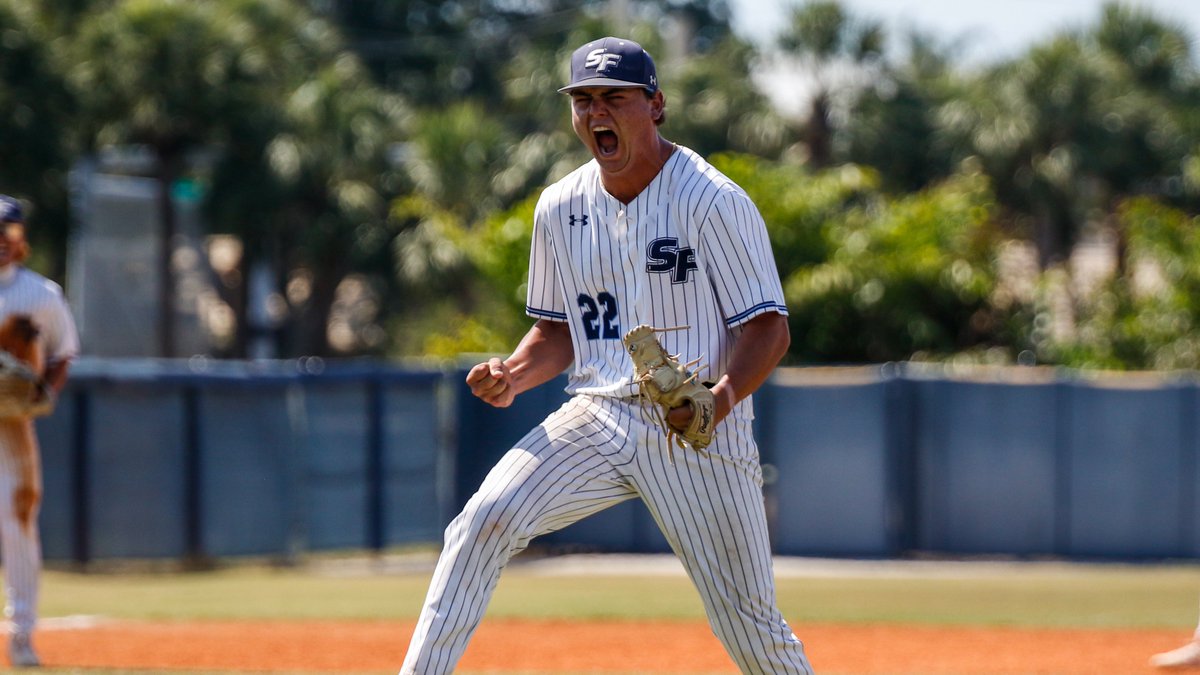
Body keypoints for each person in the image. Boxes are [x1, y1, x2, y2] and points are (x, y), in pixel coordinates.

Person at [400, 37, 813, 674]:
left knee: (750, 628)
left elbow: (768, 329)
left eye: (614, 98)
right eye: (583, 100)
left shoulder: (713, 201)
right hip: (598, 416)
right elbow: (558, 333)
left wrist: (718, 404)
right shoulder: (560, 207)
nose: (597, 113)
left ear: (655, 105)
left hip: (698, 435)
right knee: (482, 521)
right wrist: (513, 372)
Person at [0, 195, 79, 668]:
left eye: (8, 234)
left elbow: (63, 352)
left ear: (21, 238)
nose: (1, 244)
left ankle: (22, 635)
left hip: (11, 428)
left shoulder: (40, 294)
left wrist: (47, 392)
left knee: (18, 523)